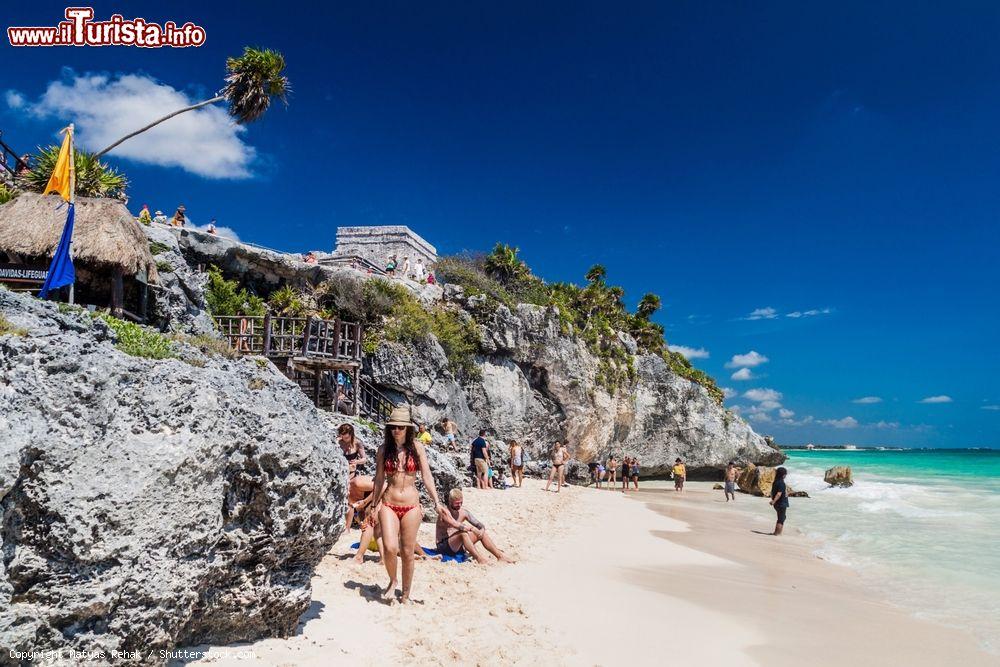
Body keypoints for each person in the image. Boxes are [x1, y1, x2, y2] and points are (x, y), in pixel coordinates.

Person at [353, 405, 448, 603]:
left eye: (400, 427)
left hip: (412, 505)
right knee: (389, 546)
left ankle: (405, 595)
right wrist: (373, 506)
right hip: (389, 503)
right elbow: (379, 480)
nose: (396, 430)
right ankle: (393, 580)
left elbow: (427, 477)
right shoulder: (383, 450)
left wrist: (437, 502)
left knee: (407, 552)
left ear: (407, 429)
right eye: (393, 427)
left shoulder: (417, 448)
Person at [436, 488, 514, 563]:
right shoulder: (444, 512)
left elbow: (479, 524)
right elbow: (455, 524)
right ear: (450, 501)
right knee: (463, 533)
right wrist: (472, 529)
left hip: (458, 545)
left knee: (481, 533)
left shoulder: (463, 513)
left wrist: (481, 530)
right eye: (457, 503)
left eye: (461, 502)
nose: (459, 505)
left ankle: (500, 556)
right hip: (444, 545)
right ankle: (480, 559)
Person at [769, 466, 789, 536]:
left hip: (777, 503)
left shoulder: (775, 482)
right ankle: (777, 533)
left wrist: (773, 500)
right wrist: (774, 501)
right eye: (785, 474)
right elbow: (779, 494)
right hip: (781, 503)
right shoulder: (781, 483)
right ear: (783, 475)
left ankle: (777, 532)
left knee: (781, 517)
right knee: (781, 519)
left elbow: (772, 492)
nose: (786, 475)